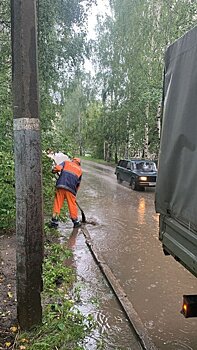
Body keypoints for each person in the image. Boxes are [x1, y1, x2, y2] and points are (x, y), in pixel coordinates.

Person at [49, 157, 82, 228]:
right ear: (79, 164)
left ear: (72, 160)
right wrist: (74, 194)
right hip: (71, 189)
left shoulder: (66, 162)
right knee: (72, 204)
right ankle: (75, 221)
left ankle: (54, 221)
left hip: (61, 185)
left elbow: (58, 168)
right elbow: (78, 185)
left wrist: (53, 170)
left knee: (58, 203)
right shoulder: (80, 170)